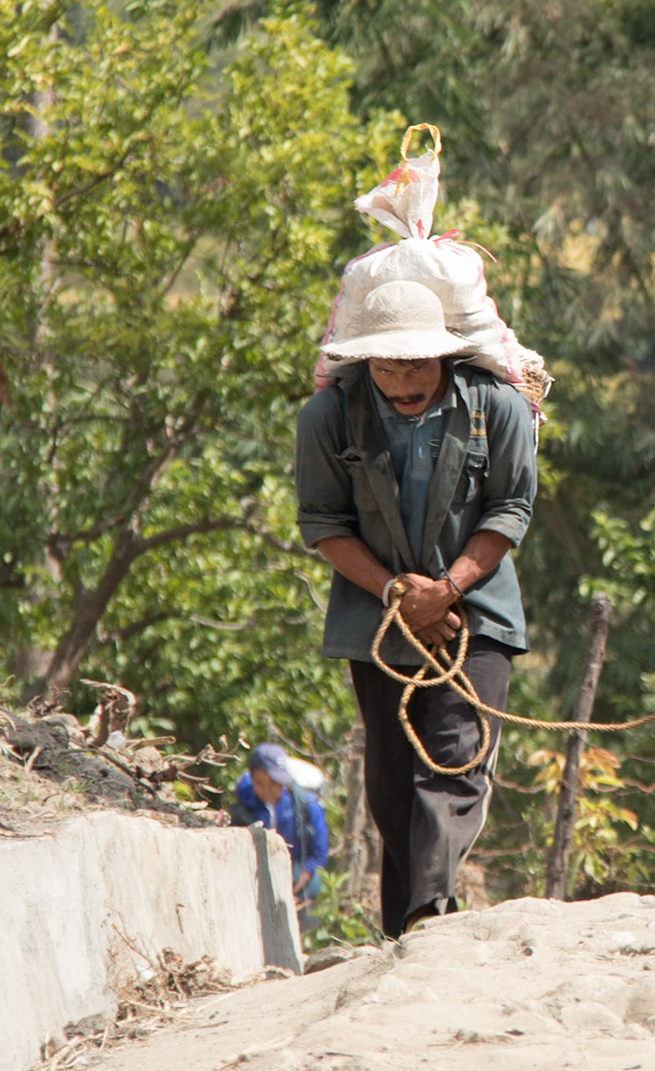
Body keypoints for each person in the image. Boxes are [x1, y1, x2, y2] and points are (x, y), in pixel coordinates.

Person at [293, 279, 536, 937]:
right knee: (393, 780)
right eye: (388, 367)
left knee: (455, 754)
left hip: (474, 611)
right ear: (365, 361)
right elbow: (323, 523)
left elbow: (510, 509)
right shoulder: (328, 419)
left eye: (418, 366)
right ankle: (408, 925)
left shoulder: (498, 408)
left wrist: (445, 590)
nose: (404, 381)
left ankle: (430, 912)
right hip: (376, 611)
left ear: (444, 358)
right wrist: (399, 595)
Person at [229, 742, 330, 932]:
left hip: (299, 884)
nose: (268, 790)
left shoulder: (306, 806)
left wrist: (294, 887)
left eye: (274, 783)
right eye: (260, 784)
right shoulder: (243, 807)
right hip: (254, 886)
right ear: (251, 778)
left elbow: (318, 854)